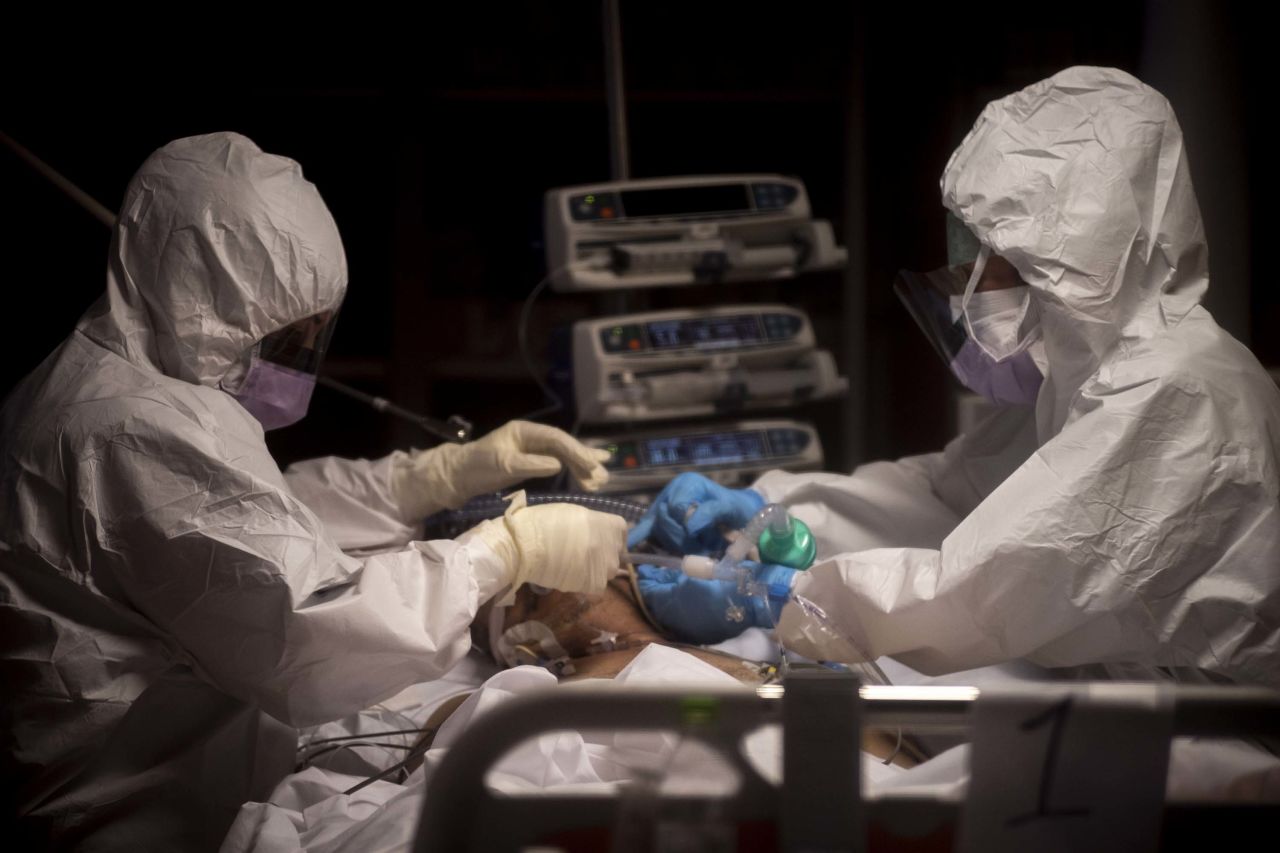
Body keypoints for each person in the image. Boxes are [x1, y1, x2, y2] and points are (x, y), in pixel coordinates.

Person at [0, 132, 627, 850]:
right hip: (135, 815)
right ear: (207, 303)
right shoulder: (125, 427)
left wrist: (429, 478)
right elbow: (308, 625)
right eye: (287, 338)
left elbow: (258, 514)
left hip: (198, 770)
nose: (298, 363)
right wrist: (499, 552)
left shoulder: (127, 384)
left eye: (313, 338)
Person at [629, 66, 1280, 689]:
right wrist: (777, 513)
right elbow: (950, 502)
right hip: (1149, 715)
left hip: (1232, 748)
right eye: (973, 251)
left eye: (1000, 260)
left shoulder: (1177, 394)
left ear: (1082, 258)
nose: (974, 285)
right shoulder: (1088, 377)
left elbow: (986, 588)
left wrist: (774, 597)